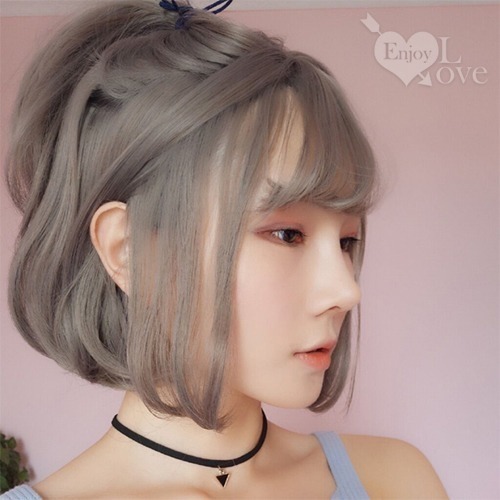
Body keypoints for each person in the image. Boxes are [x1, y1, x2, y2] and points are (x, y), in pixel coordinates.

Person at [3, 0, 448, 498]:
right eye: (288, 234)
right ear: (131, 250)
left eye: (347, 241)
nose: (346, 291)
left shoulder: (395, 479)